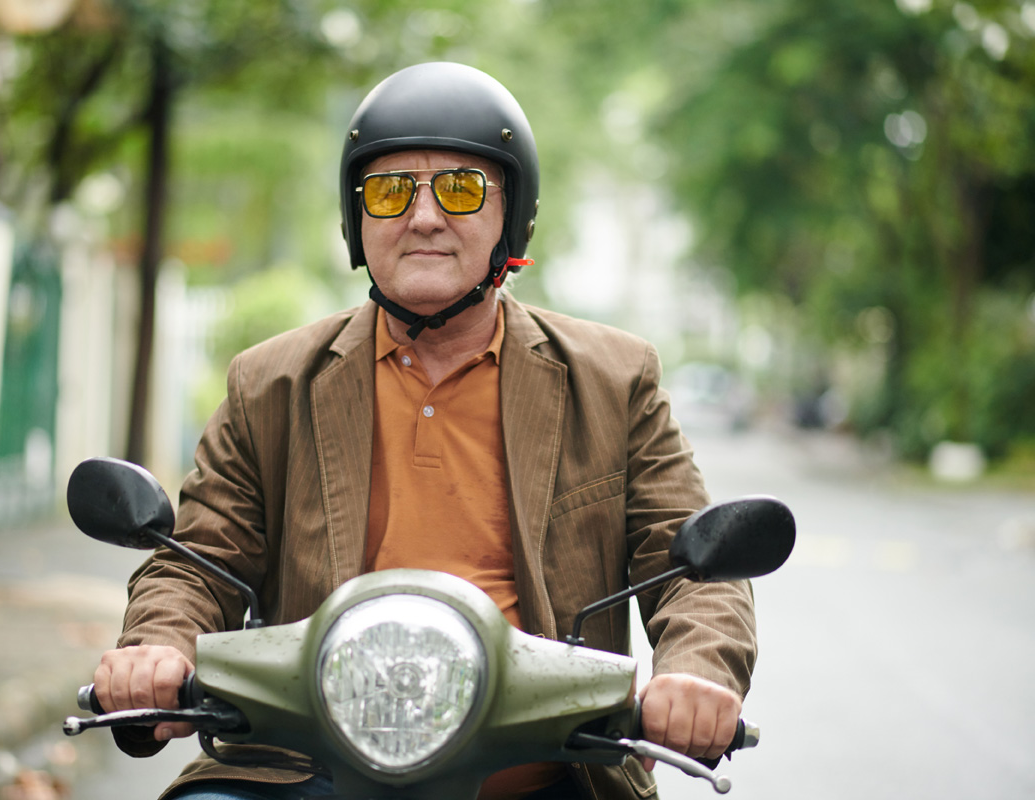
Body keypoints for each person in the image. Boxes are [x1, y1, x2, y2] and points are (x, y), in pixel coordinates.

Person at [92, 62, 756, 800]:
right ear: (357, 218)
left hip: (551, 774)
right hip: (306, 770)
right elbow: (197, 559)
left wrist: (694, 673)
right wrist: (156, 646)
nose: (425, 217)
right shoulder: (270, 384)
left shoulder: (614, 380)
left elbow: (698, 571)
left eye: (462, 188)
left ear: (515, 214)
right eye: (389, 190)